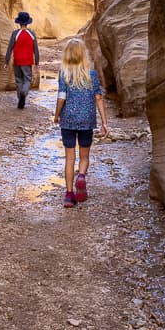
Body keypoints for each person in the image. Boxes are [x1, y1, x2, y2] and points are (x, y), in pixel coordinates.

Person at [53, 38, 108, 208]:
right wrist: (104, 122)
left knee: (70, 158)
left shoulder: (64, 73)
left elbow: (61, 97)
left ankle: (69, 195)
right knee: (84, 156)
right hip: (87, 120)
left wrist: (56, 115)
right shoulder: (91, 74)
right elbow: (98, 97)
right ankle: (82, 176)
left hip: (68, 120)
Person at [4, 11, 39, 109]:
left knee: (18, 79)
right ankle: (24, 92)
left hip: (17, 60)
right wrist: (37, 62)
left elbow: (9, 48)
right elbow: (36, 49)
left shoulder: (15, 33)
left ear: (19, 23)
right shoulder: (31, 34)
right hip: (27, 61)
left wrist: (6, 61)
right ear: (28, 23)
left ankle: (20, 99)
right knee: (27, 79)